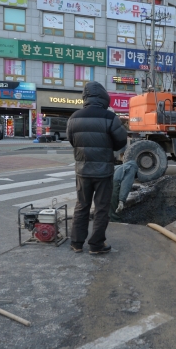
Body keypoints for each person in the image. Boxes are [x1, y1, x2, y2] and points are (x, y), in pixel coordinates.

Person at [67, 82, 127, 254]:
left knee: (81, 205)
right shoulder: (109, 118)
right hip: (103, 171)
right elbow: (121, 141)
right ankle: (96, 245)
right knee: (101, 208)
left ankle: (76, 243)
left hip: (82, 170)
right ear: (103, 97)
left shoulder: (74, 117)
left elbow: (72, 141)